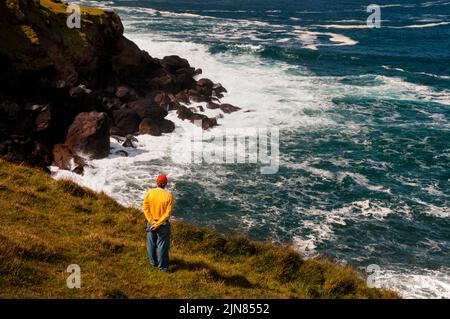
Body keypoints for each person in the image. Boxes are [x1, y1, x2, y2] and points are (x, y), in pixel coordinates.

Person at [143, 174, 174, 272]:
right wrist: (158, 223)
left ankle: (153, 263)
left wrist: (152, 222)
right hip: (163, 225)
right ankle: (163, 267)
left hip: (151, 222)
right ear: (166, 184)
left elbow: (145, 208)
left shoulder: (149, 193)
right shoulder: (168, 196)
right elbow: (167, 214)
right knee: (162, 245)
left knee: (151, 244)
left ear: (157, 182)